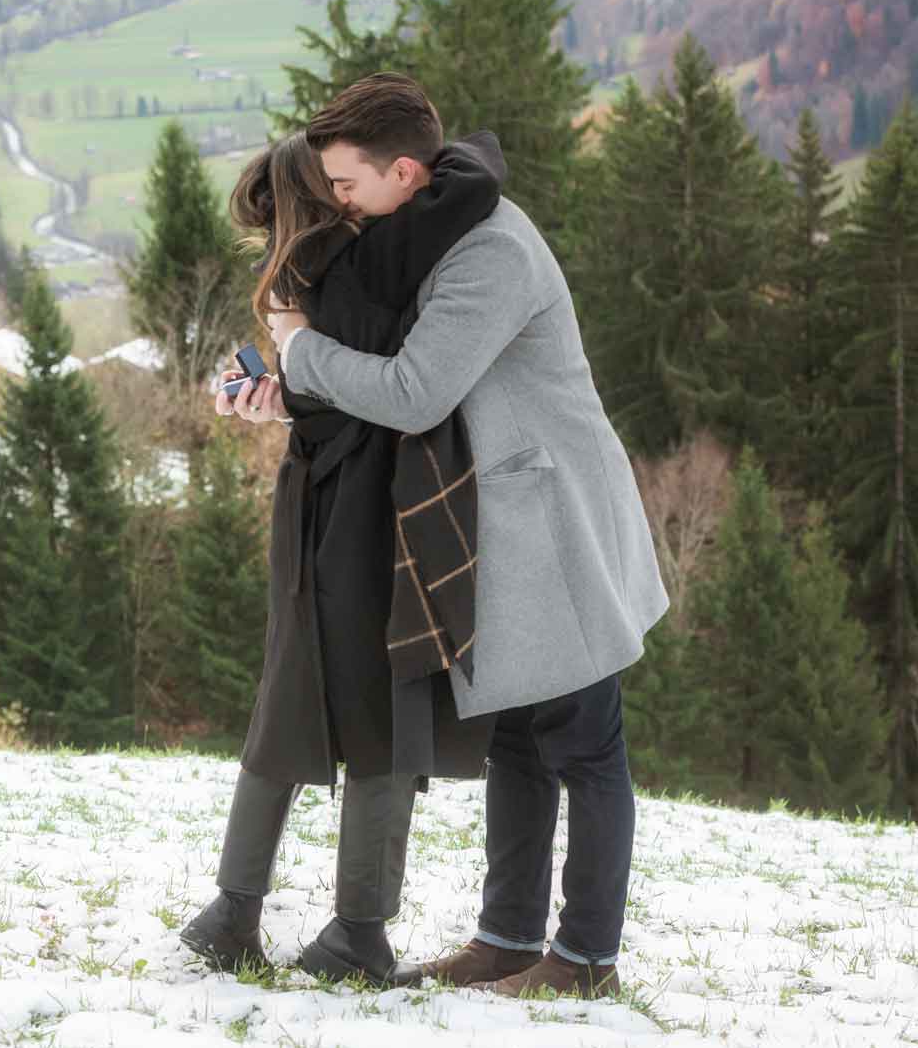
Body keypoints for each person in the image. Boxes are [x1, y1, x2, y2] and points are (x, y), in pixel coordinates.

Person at [226, 72, 668, 999]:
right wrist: (291, 394)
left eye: (346, 186)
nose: (338, 203)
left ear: (401, 171)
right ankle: (506, 940)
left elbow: (415, 389)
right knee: (516, 739)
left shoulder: (487, 257)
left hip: (554, 521)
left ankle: (585, 960)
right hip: (494, 524)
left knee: (585, 744)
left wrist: (300, 348)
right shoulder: (428, 228)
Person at [179, 129, 504, 984]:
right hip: (378, 507)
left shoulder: (316, 272)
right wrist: (292, 390)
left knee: (290, 691)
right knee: (386, 714)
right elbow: (378, 391)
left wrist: (287, 389)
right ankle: (356, 931)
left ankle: (234, 909)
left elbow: (337, 389)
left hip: (317, 505)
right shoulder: (370, 263)